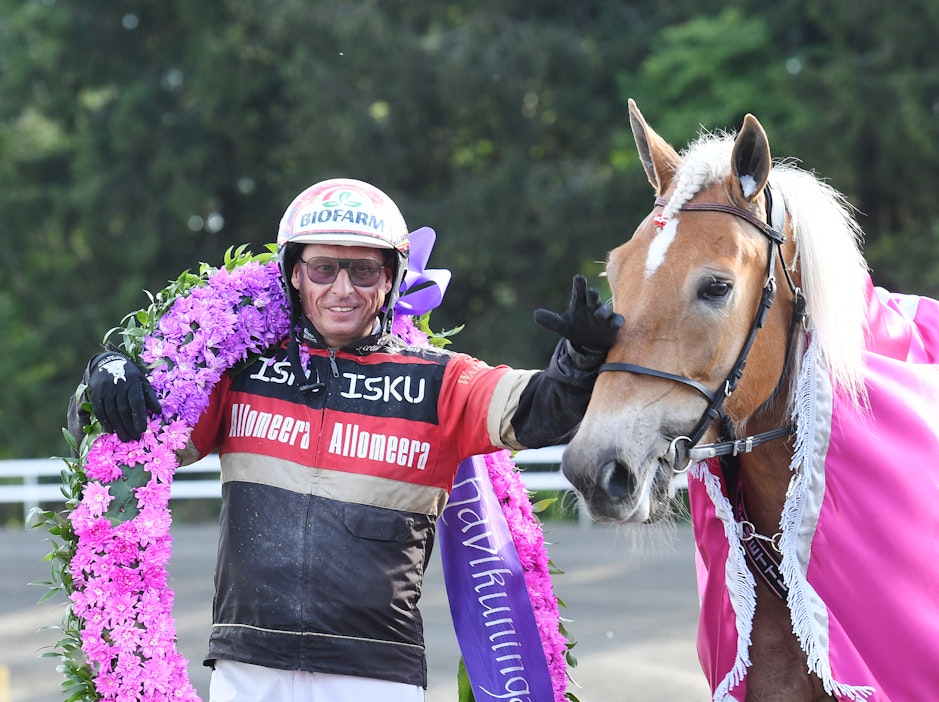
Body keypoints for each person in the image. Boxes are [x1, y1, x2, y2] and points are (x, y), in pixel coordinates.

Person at [68, 178, 623, 702]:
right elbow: (128, 440)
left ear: (391, 279)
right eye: (323, 268)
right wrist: (109, 370)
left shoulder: (444, 379)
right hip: (247, 667)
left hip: (375, 673)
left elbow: (542, 411)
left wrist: (581, 359)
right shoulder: (238, 370)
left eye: (362, 271)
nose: (342, 289)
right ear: (292, 274)